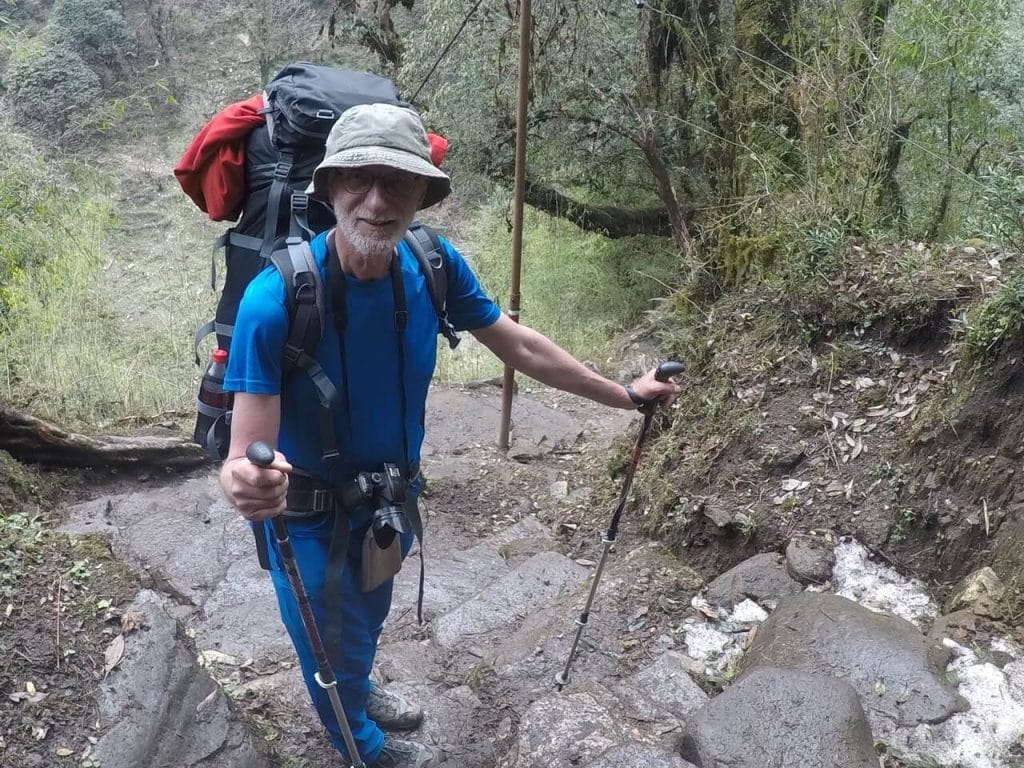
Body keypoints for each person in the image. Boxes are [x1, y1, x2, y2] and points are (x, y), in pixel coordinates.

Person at [218, 102, 680, 768]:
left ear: (422, 193)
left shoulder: (431, 265)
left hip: (390, 502)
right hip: (310, 517)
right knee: (323, 639)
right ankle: (363, 747)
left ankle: (358, 686)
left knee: (370, 615)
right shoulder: (276, 300)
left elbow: (519, 344)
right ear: (329, 189)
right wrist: (247, 482)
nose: (377, 201)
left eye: (398, 182)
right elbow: (243, 456)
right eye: (358, 180)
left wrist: (623, 395)